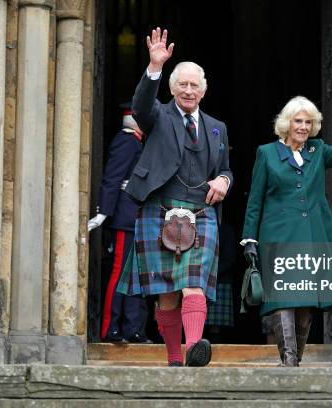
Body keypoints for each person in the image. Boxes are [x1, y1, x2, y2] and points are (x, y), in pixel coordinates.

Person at [116, 27, 233, 367]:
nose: (188, 90)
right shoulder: (158, 116)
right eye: (182, 84)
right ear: (171, 88)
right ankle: (173, 357)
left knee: (194, 284)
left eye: (194, 84)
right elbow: (140, 105)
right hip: (160, 208)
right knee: (167, 293)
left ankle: (194, 347)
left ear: (204, 90)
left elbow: (226, 167)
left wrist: (224, 180)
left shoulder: (217, 127)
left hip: (201, 212)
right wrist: (154, 66)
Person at [241, 82, 332, 367]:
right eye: (298, 121)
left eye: (309, 122)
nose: (304, 127)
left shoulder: (317, 151)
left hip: (312, 236)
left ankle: (296, 360)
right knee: (284, 298)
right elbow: (255, 199)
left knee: (306, 299)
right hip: (279, 237)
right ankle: (289, 361)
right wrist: (249, 239)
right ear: (287, 123)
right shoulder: (267, 153)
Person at [88, 106, 151, 344]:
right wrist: (104, 212)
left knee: (136, 276)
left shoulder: (137, 143)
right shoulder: (126, 141)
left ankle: (132, 328)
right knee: (120, 274)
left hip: (137, 217)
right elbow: (113, 177)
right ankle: (111, 329)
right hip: (125, 218)